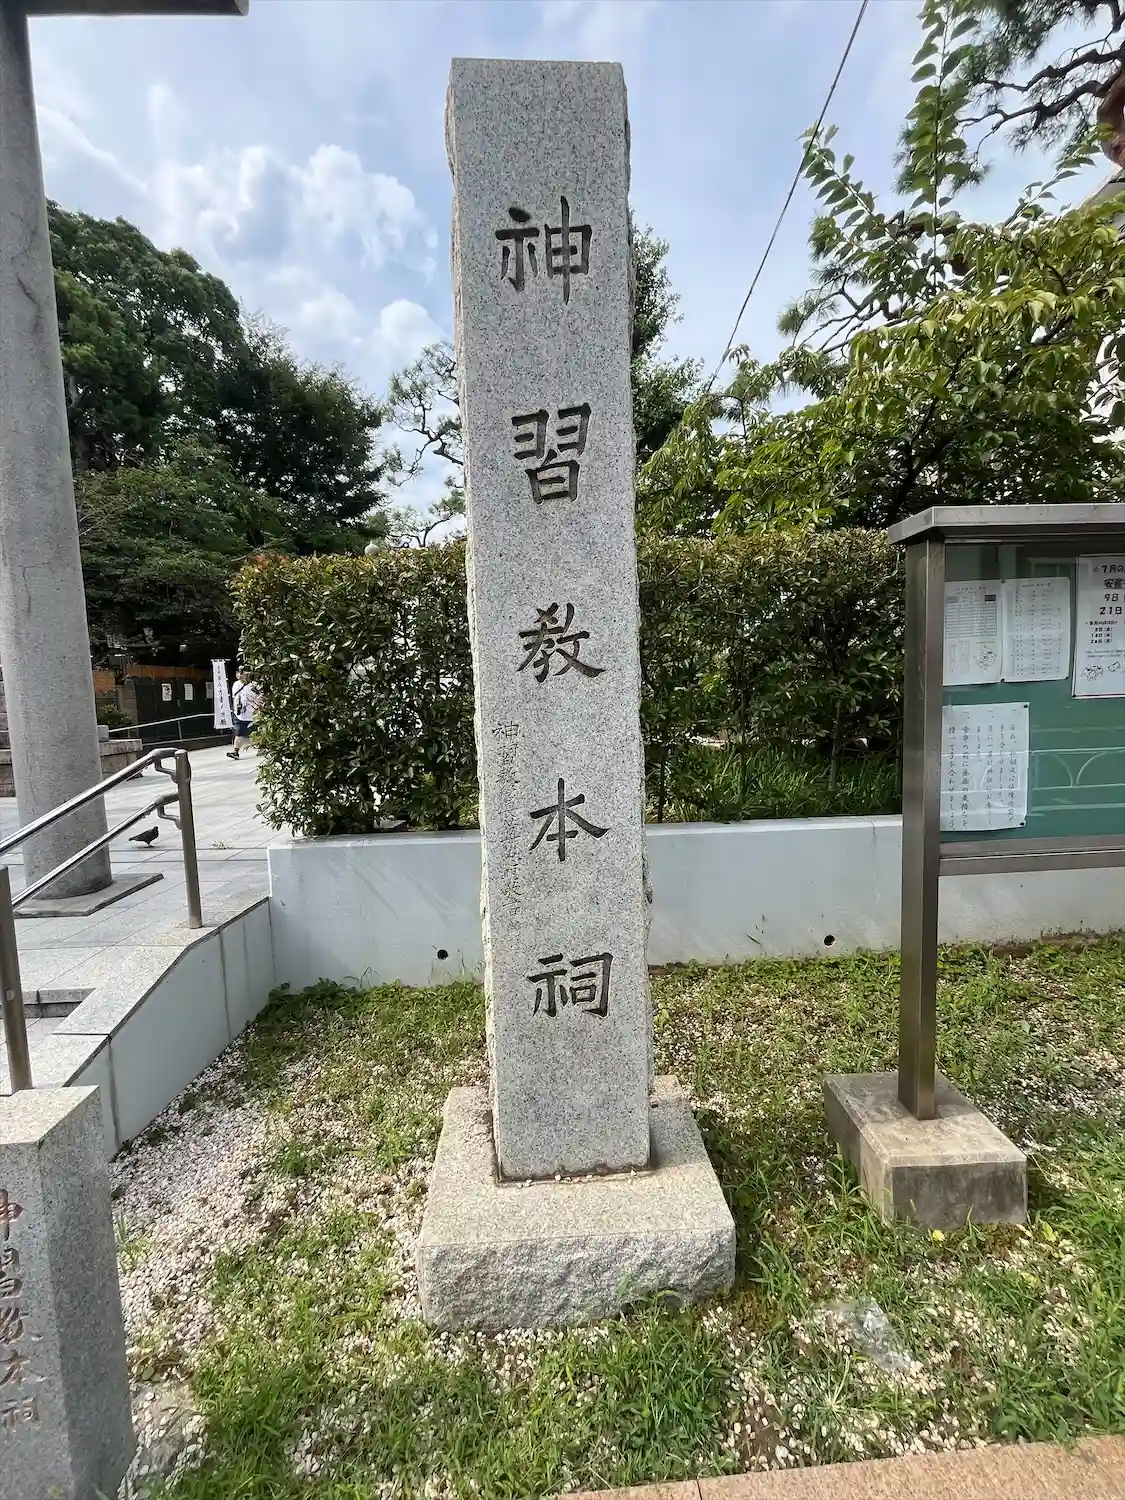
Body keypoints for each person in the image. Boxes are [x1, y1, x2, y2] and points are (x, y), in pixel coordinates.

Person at [226, 672, 261, 760]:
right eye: (239, 673)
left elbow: (260, 697)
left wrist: (256, 706)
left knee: (259, 732)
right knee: (239, 732)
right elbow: (236, 697)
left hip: (254, 713)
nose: (239, 675)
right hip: (240, 714)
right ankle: (235, 751)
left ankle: (263, 747)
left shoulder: (255, 685)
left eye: (242, 673)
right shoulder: (236, 684)